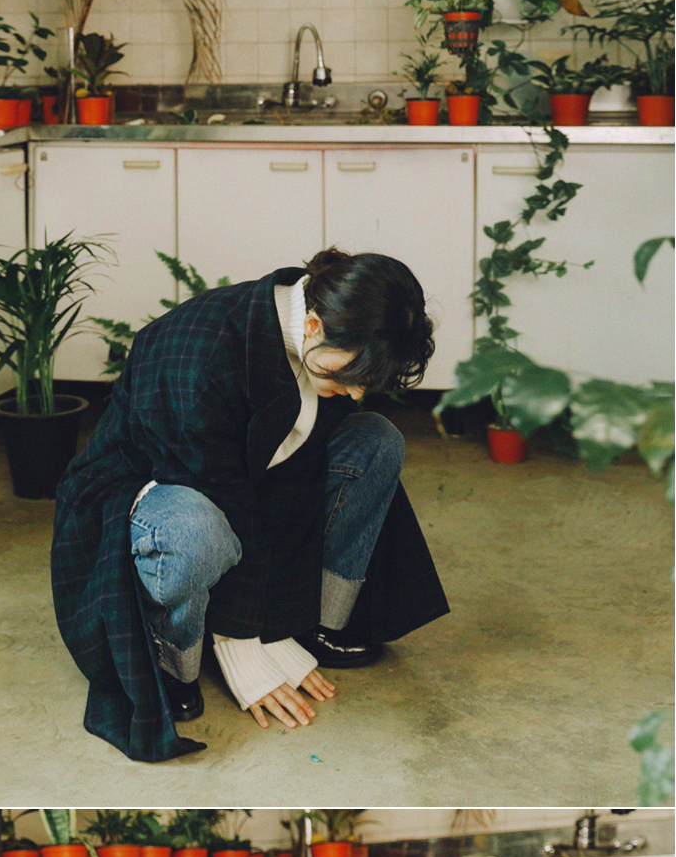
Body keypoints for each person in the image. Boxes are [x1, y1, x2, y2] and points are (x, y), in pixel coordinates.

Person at [50, 249, 449, 764]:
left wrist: (277, 628)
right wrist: (240, 643)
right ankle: (173, 660)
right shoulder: (203, 356)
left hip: (239, 487)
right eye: (350, 374)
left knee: (375, 440)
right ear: (313, 325)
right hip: (152, 493)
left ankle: (312, 625)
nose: (353, 392)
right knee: (199, 531)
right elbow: (222, 497)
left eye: (365, 381)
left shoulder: (321, 328)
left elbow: (294, 482)